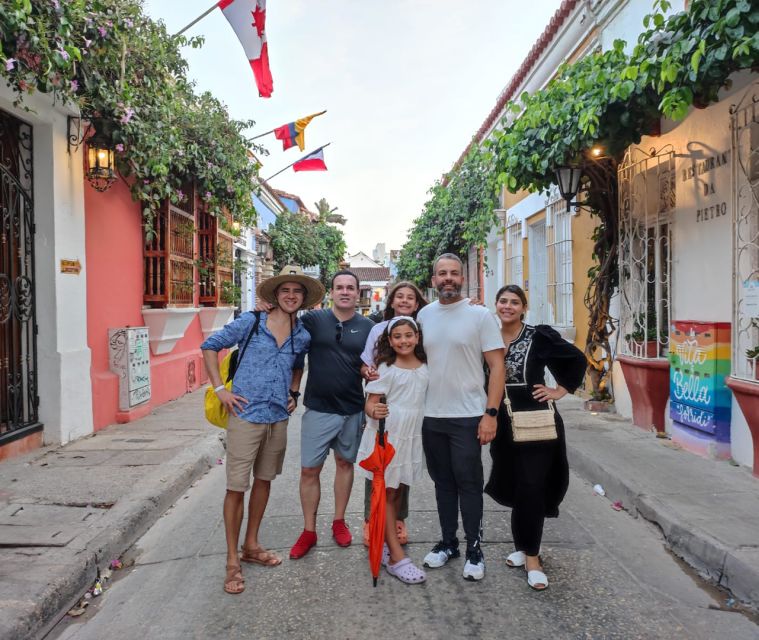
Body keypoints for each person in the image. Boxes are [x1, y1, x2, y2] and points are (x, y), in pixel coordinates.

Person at [201, 265, 323, 595]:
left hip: (277, 417)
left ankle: (251, 544)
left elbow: (298, 365)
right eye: (286, 291)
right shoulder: (252, 323)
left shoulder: (302, 335)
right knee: (236, 487)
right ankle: (231, 561)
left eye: (297, 292)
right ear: (275, 295)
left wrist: (294, 393)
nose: (291, 296)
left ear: (303, 298)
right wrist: (218, 390)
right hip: (245, 414)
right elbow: (210, 346)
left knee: (265, 480)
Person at [485, 284, 586, 591]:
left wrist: (560, 390)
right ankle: (522, 545)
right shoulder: (487, 336)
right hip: (500, 420)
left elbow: (576, 359)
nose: (507, 306)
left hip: (535, 419)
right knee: (517, 484)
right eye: (502, 301)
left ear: (523, 308)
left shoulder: (538, 336)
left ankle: (532, 557)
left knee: (532, 485)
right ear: (496, 304)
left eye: (514, 302)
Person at [417, 253, 505, 582]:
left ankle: (474, 548)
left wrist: (490, 414)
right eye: (442, 273)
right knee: (442, 483)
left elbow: (497, 367)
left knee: (468, 483)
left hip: (469, 415)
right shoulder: (423, 315)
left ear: (462, 278)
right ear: (434, 278)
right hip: (432, 416)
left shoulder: (480, 316)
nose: (449, 278)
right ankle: (448, 543)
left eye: (454, 272)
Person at [288, 270, 375, 559]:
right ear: (331, 292)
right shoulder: (313, 320)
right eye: (340, 287)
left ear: (358, 292)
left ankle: (339, 520)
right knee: (309, 470)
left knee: (344, 464)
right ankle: (308, 529)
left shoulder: (368, 326)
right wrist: (267, 306)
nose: (345, 292)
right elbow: (286, 322)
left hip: (352, 408)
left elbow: (379, 360)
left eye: (351, 287)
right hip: (318, 408)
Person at [358, 316, 429, 584]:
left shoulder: (424, 365)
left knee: (396, 494)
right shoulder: (386, 367)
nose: (404, 341)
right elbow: (371, 402)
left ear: (417, 336)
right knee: (386, 495)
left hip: (411, 436)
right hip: (389, 435)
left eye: (408, 335)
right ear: (389, 340)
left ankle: (386, 541)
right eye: (397, 336)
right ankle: (397, 558)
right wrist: (372, 409)